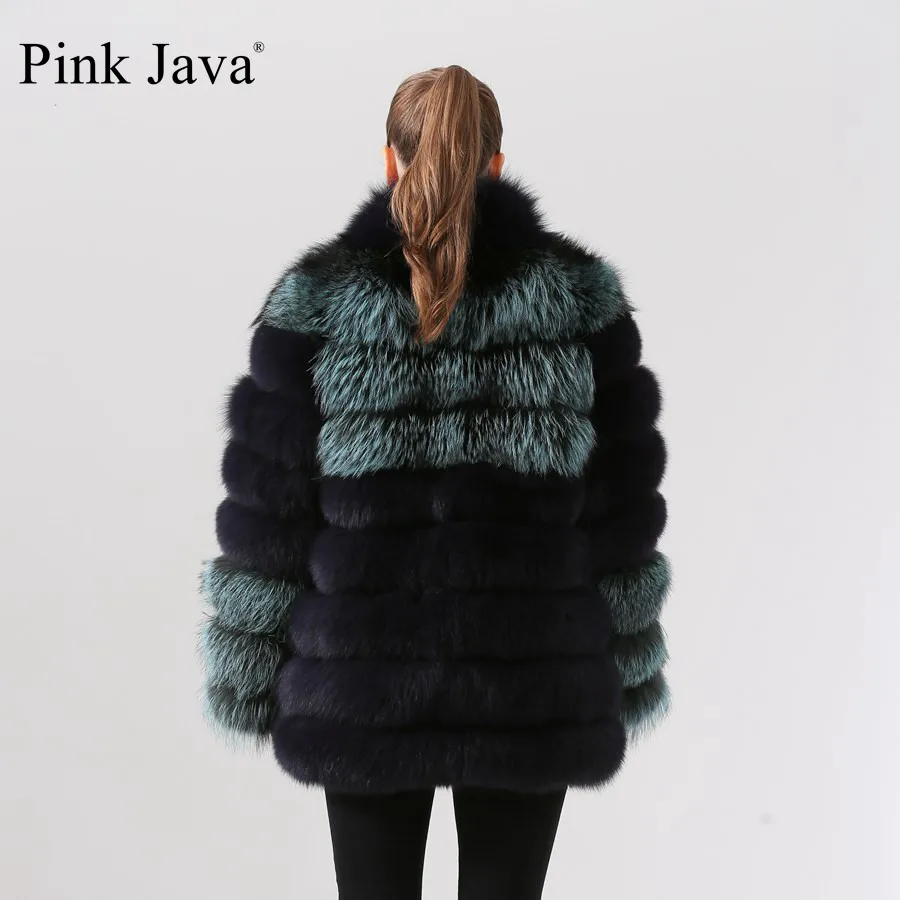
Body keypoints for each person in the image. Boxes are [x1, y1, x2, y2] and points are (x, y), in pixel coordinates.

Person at [198, 64, 671, 900]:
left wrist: (245, 677)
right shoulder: (580, 304)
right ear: (497, 163)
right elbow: (621, 523)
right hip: (531, 680)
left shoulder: (317, 303)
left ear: (389, 160)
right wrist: (631, 671)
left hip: (363, 681)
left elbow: (271, 522)